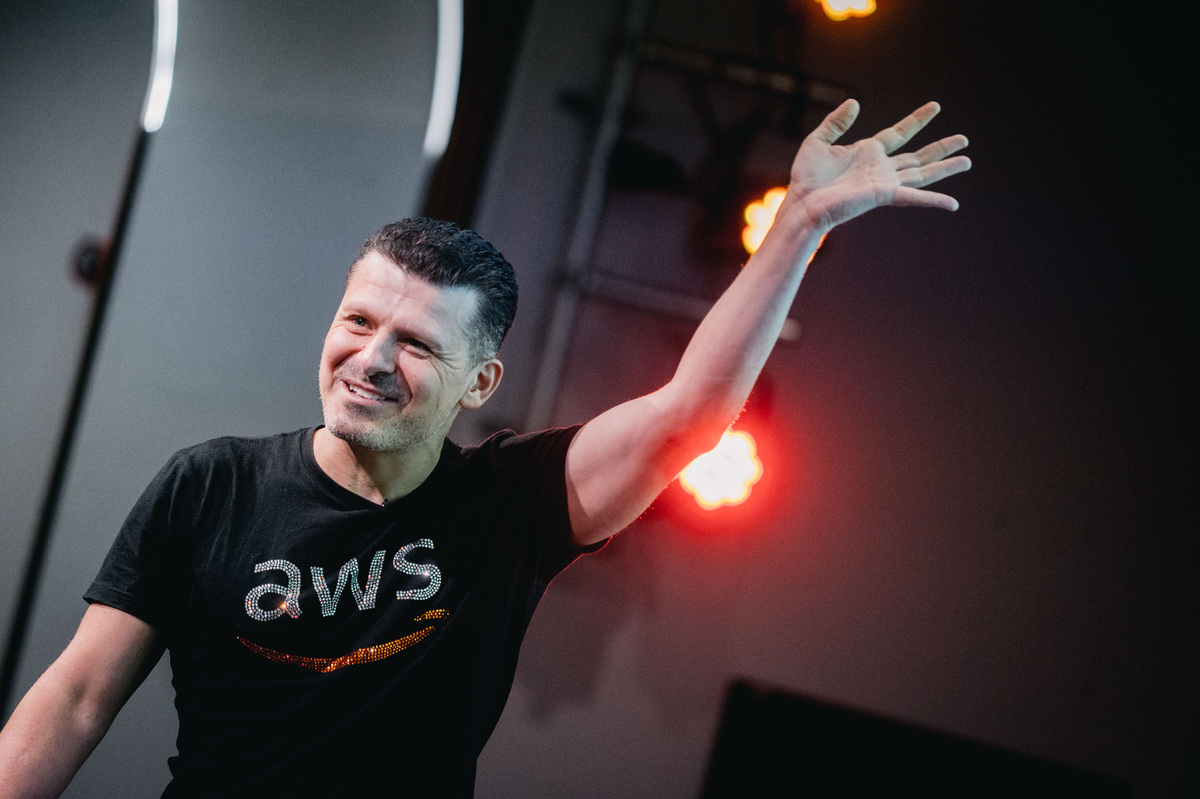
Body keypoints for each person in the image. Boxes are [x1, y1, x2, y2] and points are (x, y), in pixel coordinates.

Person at [0, 99, 969, 797]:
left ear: (481, 382)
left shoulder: (513, 503)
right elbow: (80, 695)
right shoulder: (210, 485)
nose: (371, 359)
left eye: (417, 344)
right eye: (359, 321)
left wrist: (796, 224)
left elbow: (691, 417)